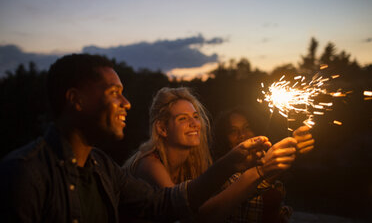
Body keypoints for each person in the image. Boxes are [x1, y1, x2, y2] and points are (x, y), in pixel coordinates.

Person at [0, 54, 274, 223]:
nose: (127, 103)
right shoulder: (23, 173)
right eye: (113, 92)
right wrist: (256, 171)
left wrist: (231, 165)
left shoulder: (103, 168)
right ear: (76, 100)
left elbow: (164, 204)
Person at [125, 87, 300, 222]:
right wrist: (259, 172)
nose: (194, 124)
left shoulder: (194, 164)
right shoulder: (149, 164)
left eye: (195, 116)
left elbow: (224, 199)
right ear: (162, 128)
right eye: (183, 119)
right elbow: (193, 218)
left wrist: (267, 171)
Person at [212, 108, 315, 223]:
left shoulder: (261, 161)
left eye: (247, 127)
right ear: (223, 138)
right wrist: (271, 167)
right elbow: (245, 191)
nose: (242, 135)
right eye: (233, 131)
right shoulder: (221, 174)